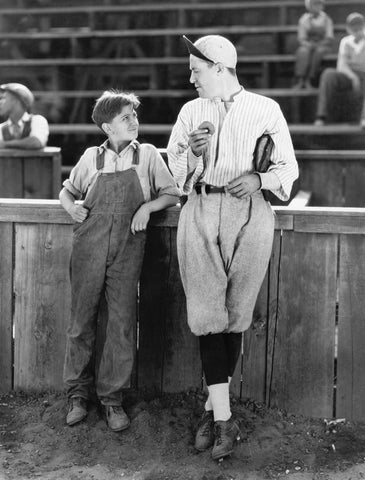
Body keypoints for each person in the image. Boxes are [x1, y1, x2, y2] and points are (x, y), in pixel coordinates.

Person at [167, 35, 298, 460]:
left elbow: (288, 168)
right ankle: (225, 420)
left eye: (196, 70)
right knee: (208, 315)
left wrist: (260, 180)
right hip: (201, 207)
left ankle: (213, 409)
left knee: (236, 314)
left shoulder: (265, 108)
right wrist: (192, 151)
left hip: (249, 211)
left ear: (220, 68)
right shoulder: (191, 112)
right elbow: (175, 171)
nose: (191, 78)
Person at [60, 90, 180, 431]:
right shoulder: (90, 158)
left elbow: (171, 194)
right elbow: (67, 190)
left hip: (128, 247)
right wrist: (71, 206)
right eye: (126, 117)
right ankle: (78, 396)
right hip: (89, 246)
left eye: (134, 115)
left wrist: (147, 207)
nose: (134, 121)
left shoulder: (148, 156)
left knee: (122, 323)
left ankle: (112, 401)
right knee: (81, 321)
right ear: (107, 126)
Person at [314, 12, 365, 127]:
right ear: (348, 28)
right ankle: (321, 116)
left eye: (359, 25)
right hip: (349, 74)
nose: (357, 29)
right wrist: (352, 76)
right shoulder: (345, 41)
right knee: (328, 74)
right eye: (353, 26)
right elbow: (341, 65)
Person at [293, 0, 334, 89]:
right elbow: (301, 38)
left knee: (318, 53)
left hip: (323, 45)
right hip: (308, 45)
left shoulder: (326, 19)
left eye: (318, 4)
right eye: (314, 4)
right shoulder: (304, 19)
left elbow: (329, 38)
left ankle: (309, 80)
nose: (316, 6)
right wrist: (308, 44)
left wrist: (319, 44)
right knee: (303, 52)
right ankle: (301, 80)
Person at [0, 83, 49, 149]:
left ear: (15, 100)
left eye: (3, 98)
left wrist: (6, 144)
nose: (0, 102)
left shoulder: (38, 120)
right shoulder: (1, 128)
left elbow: (36, 142)